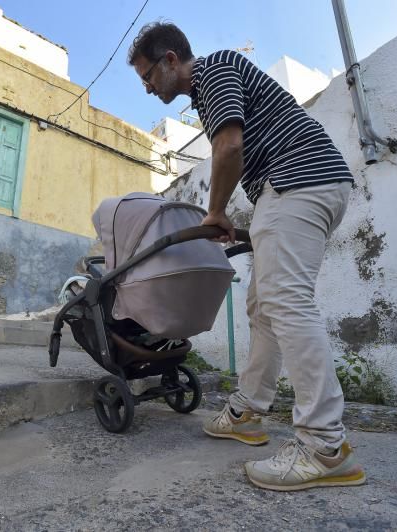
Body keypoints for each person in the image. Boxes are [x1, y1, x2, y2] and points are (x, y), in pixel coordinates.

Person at [128, 22, 366, 491]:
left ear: (172, 59)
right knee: (265, 306)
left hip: (296, 179)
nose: (147, 87)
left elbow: (229, 146)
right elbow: (238, 146)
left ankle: (323, 445)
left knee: (285, 302)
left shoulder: (212, 69)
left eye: (148, 75)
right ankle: (246, 411)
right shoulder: (213, 86)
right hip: (303, 183)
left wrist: (215, 210)